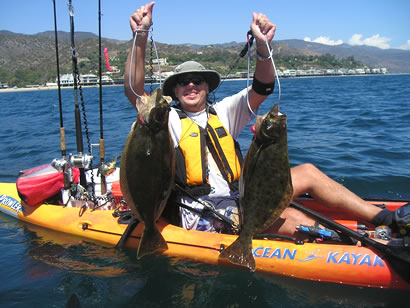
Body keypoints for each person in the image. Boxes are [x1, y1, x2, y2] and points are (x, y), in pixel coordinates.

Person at [124, 2, 403, 239]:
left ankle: (386, 218)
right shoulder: (166, 120)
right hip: (202, 212)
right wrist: (140, 35)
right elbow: (135, 91)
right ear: (174, 90)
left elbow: (263, 86)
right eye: (183, 82)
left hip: (242, 196)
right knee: (291, 217)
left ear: (208, 87)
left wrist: (262, 46)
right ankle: (358, 244)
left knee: (307, 171)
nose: (191, 86)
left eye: (198, 80)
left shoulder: (223, 112)